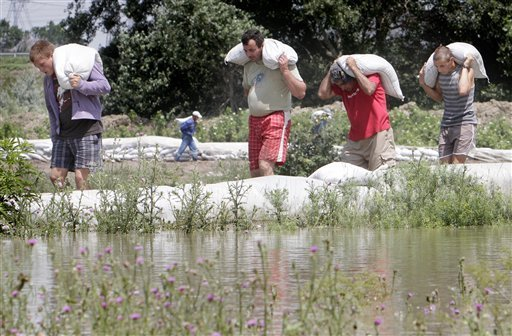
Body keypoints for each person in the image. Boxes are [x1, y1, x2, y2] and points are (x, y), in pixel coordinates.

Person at [29, 40, 111, 190]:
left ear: (51, 56)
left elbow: (105, 86)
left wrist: (81, 85)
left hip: (86, 130)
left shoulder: (79, 66)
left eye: (42, 64)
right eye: (37, 67)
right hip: (63, 134)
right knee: (55, 177)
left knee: (81, 179)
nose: (41, 69)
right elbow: (51, 109)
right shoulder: (48, 80)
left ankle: (86, 211)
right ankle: (69, 208)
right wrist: (55, 135)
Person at [241, 29, 306, 177]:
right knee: (255, 170)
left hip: (276, 116)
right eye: (245, 51)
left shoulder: (281, 63)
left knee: (265, 164)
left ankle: (273, 199)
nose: (249, 54)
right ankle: (257, 200)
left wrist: (284, 71)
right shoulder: (248, 66)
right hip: (254, 120)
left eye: (252, 50)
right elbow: (246, 88)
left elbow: (301, 92)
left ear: (261, 46)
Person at [317, 57, 396, 171]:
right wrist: (331, 70)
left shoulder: (372, 77)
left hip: (379, 135)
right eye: (339, 85)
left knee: (382, 176)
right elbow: (322, 94)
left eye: (344, 83)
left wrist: (353, 67)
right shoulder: (343, 89)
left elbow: (369, 89)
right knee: (349, 176)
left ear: (352, 77)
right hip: (356, 140)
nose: (343, 87)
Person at [419, 45, 476, 164]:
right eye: (437, 67)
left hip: (464, 124)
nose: (439, 69)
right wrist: (423, 84)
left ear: (451, 61)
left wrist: (465, 65)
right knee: (444, 167)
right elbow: (439, 98)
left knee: (456, 166)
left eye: (442, 66)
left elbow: (463, 90)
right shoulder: (441, 76)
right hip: (446, 125)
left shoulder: (467, 71)